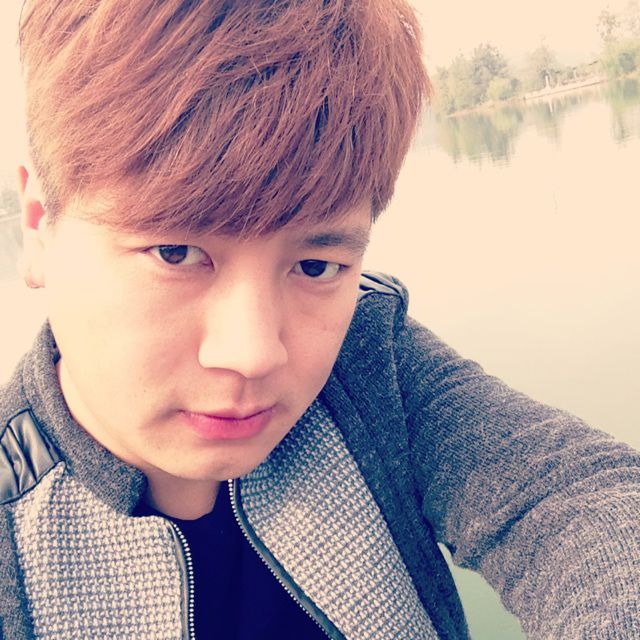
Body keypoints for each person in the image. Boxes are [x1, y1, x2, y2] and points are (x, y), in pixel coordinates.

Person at [1, 0, 638, 638]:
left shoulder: (370, 366)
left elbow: (577, 501)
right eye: (175, 253)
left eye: (315, 266)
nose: (254, 353)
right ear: (39, 226)